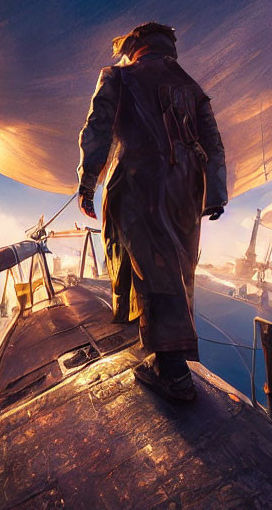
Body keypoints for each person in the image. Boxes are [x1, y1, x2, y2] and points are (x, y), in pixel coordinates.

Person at [76, 22, 227, 402]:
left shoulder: (117, 76)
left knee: (151, 266)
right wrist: (215, 195)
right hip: (187, 190)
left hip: (140, 183)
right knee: (178, 266)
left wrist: (87, 183)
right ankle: (169, 354)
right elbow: (213, 143)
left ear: (136, 46)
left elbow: (96, 130)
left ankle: (171, 370)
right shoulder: (192, 89)